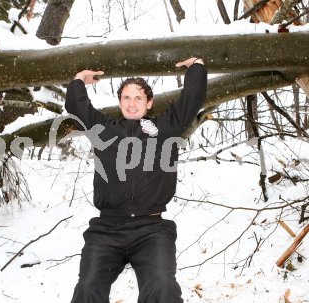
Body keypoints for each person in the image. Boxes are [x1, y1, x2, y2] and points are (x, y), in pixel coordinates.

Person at [65, 57, 207, 303]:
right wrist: (78, 81)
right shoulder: (104, 130)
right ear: (119, 103)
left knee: (163, 288)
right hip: (106, 230)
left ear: (149, 102)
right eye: (126, 98)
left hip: (151, 229)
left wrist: (196, 67)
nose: (132, 104)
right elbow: (78, 108)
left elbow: (191, 100)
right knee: (88, 287)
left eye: (138, 97)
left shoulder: (165, 129)